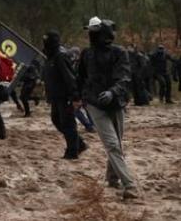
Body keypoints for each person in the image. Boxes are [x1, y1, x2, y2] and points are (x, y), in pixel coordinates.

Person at [75, 17, 138, 199]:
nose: (91, 35)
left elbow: (124, 77)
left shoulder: (119, 52)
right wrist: (76, 97)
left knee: (116, 143)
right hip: (95, 104)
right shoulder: (86, 54)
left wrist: (113, 92)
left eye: (94, 32)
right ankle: (129, 185)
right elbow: (80, 78)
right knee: (112, 144)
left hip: (116, 103)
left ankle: (112, 178)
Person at [42, 31, 87, 159]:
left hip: (65, 96)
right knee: (56, 120)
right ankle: (80, 143)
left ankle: (72, 151)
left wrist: (75, 97)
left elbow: (70, 77)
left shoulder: (61, 56)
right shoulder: (49, 57)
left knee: (68, 123)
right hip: (55, 97)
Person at [67, 46, 96, 133]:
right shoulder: (74, 64)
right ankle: (92, 125)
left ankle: (89, 125)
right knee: (86, 108)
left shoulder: (82, 65)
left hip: (83, 90)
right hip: (81, 90)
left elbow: (82, 78)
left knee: (77, 109)